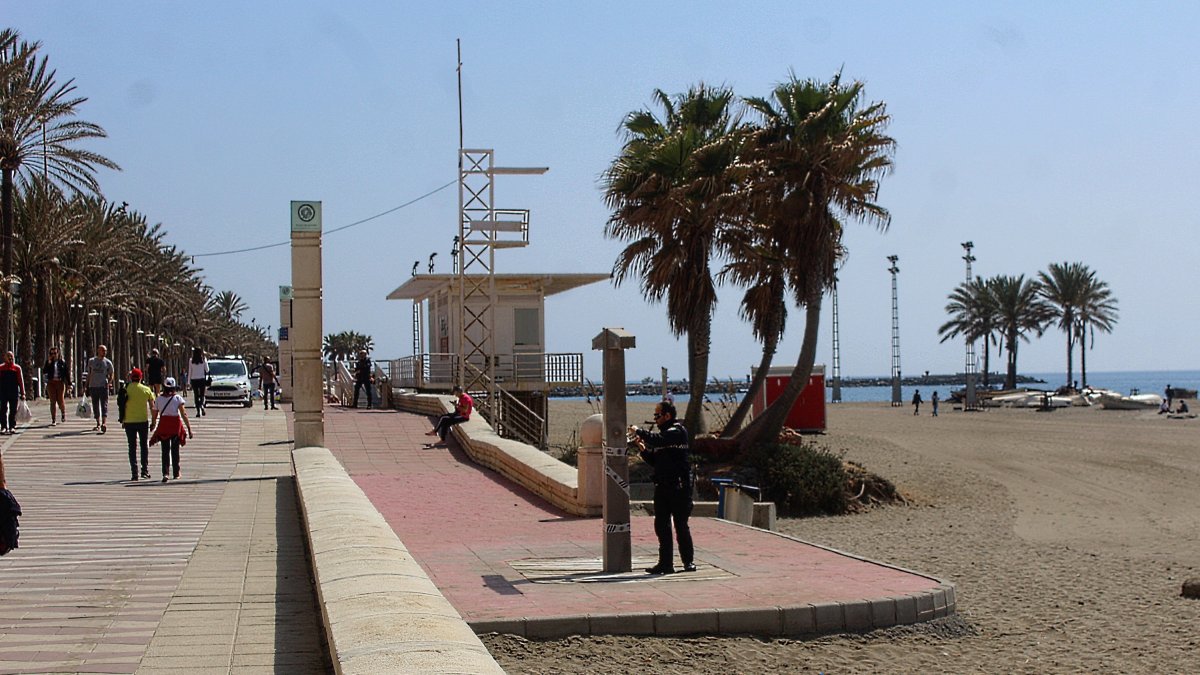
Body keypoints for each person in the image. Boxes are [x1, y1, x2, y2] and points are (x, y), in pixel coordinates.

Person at [630, 401, 696, 575]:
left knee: (681, 525)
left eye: (658, 415)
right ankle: (665, 563)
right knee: (661, 526)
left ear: (667, 416)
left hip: (679, 488)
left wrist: (639, 431)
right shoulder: (664, 438)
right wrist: (643, 450)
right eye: (655, 415)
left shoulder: (676, 431)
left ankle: (688, 562)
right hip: (662, 487)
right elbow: (656, 460)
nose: (655, 419)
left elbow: (658, 440)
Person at [150, 377, 193, 483]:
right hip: (175, 427)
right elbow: (183, 414)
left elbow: (154, 414)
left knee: (165, 451)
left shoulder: (159, 399)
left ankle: (165, 473)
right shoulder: (177, 398)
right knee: (175, 450)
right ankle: (176, 473)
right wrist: (189, 428)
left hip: (164, 426)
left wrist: (153, 424)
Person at [120, 368, 155, 481]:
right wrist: (154, 421)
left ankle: (134, 472)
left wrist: (123, 419)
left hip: (129, 421)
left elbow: (121, 405)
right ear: (141, 377)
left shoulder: (125, 389)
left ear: (131, 377)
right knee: (144, 445)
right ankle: (144, 470)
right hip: (142, 421)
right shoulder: (146, 390)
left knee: (132, 447)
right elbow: (152, 407)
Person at [85, 345, 115, 433]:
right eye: (102, 350)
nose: (104, 352)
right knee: (95, 405)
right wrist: (86, 386)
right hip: (93, 386)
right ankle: (98, 423)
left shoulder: (108, 362)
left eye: (105, 351)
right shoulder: (92, 361)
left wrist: (109, 382)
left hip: (103, 387)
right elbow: (89, 374)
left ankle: (104, 423)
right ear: (98, 350)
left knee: (104, 404)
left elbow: (112, 373)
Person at [41, 346, 69, 426]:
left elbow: (66, 373)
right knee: (52, 401)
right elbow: (44, 371)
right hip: (51, 383)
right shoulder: (49, 362)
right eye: (51, 353)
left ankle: (63, 413)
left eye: (55, 353)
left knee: (60, 400)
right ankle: (53, 419)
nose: (53, 355)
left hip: (60, 383)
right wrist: (49, 363)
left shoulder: (62, 362)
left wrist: (69, 384)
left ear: (58, 353)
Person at [0, 352, 24, 435]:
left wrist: (23, 393)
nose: (10, 358)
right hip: (3, 392)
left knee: (13, 410)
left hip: (14, 392)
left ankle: (12, 426)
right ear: (5, 358)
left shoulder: (17, 368)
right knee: (3, 410)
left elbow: (20, 381)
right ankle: (3, 427)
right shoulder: (1, 368)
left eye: (11, 356)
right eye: (8, 356)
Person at [186, 348, 209, 417]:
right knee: (202, 395)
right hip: (201, 379)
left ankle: (198, 411)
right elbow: (207, 370)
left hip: (194, 380)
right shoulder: (203, 359)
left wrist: (188, 382)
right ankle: (201, 405)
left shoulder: (191, 360)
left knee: (196, 395)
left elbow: (190, 371)